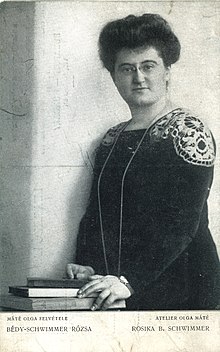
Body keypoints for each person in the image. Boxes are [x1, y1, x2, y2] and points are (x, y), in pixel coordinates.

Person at [66, 14, 220, 310]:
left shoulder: (188, 131)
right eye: (127, 69)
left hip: (185, 293)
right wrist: (86, 264)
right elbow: (97, 215)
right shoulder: (111, 139)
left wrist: (128, 280)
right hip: (119, 290)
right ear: (114, 77)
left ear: (166, 71)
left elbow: (182, 224)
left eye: (148, 66)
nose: (138, 77)